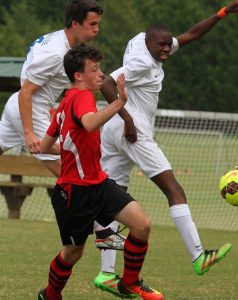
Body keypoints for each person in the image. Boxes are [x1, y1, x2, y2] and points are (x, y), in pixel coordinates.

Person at [93, 0, 238, 297]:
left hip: (113, 131)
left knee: (111, 199)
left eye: (169, 45)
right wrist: (127, 119)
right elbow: (106, 83)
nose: (167, 50)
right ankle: (198, 255)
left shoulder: (147, 42)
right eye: (162, 46)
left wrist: (222, 13)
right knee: (174, 190)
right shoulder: (142, 62)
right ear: (149, 43)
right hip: (132, 130)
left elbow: (192, 35)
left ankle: (106, 273)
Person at [38, 44, 163, 300]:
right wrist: (120, 102)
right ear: (78, 76)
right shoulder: (82, 97)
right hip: (75, 193)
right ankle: (50, 295)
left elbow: (45, 145)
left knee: (142, 225)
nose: (100, 74)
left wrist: (55, 145)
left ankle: (129, 283)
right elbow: (90, 122)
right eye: (94, 69)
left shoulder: (64, 104)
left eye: (99, 68)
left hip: (100, 184)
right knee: (73, 252)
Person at [0, 0, 123, 250]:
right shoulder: (56, 53)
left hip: (24, 107)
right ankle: (103, 231)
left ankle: (101, 229)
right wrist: (30, 132)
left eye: (98, 24)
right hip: (28, 108)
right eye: (92, 24)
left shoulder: (60, 42)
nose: (97, 29)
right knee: (71, 171)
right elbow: (26, 91)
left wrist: (51, 110)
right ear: (75, 24)